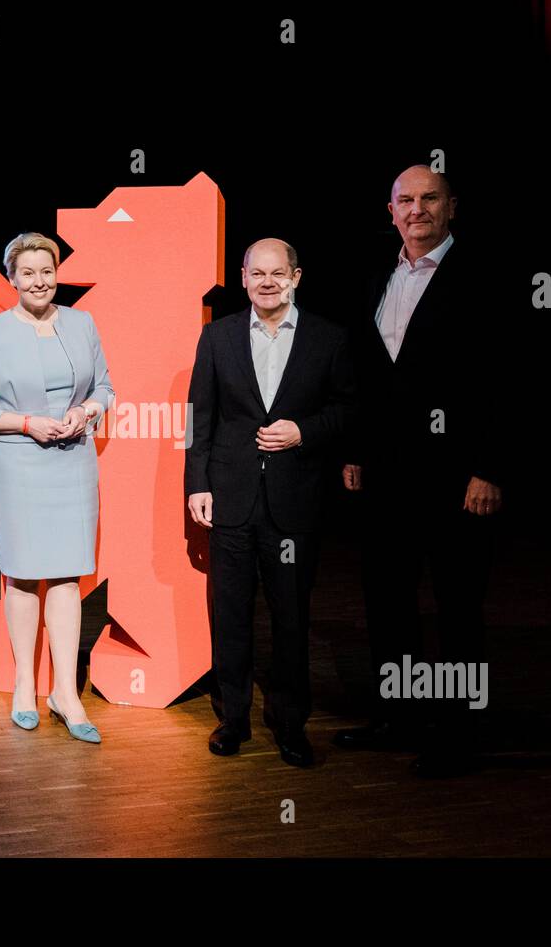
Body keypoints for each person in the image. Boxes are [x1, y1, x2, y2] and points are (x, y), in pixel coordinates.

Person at [336, 165, 506, 777]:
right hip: (387, 476)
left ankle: (459, 732)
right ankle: (398, 717)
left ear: (451, 206)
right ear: (390, 212)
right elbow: (367, 378)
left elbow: (503, 382)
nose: (417, 210)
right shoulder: (379, 277)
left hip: (458, 478)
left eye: (429, 198)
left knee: (458, 607)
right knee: (388, 603)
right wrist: (355, 450)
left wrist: (489, 468)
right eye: (405, 200)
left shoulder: (483, 277)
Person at [185, 238, 354, 767]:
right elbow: (200, 419)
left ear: (296, 277)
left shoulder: (329, 339)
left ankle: (289, 723)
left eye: (277, 273)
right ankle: (232, 720)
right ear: (243, 277)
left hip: (294, 505)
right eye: (257, 273)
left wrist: (302, 430)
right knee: (230, 616)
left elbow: (349, 410)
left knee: (290, 619)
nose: (267, 281)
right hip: (231, 502)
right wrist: (198, 485)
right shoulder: (217, 337)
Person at [0, 232, 114, 743]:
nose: (39, 281)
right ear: (11, 279)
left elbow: (107, 388)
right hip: (19, 466)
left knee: (67, 578)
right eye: (28, 273)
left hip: (73, 463)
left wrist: (85, 410)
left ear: (56, 273)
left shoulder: (82, 322)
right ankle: (26, 686)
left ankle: (65, 694)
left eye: (47, 271)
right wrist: (24, 423)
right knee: (22, 576)